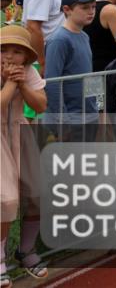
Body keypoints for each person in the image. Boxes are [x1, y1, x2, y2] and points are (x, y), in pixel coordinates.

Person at [0, 26, 48, 284]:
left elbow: (40, 104)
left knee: (37, 192)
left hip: (20, 131)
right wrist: (11, 82)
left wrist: (22, 82)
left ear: (26, 57)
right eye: (3, 49)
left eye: (17, 51)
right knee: (5, 199)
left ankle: (26, 250)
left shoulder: (28, 71)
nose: (8, 56)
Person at [43, 0, 100, 137]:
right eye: (85, 7)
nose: (91, 11)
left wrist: (95, 107)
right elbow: (52, 82)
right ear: (67, 9)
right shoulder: (59, 40)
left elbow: (88, 74)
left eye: (93, 7)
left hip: (88, 115)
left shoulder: (84, 36)